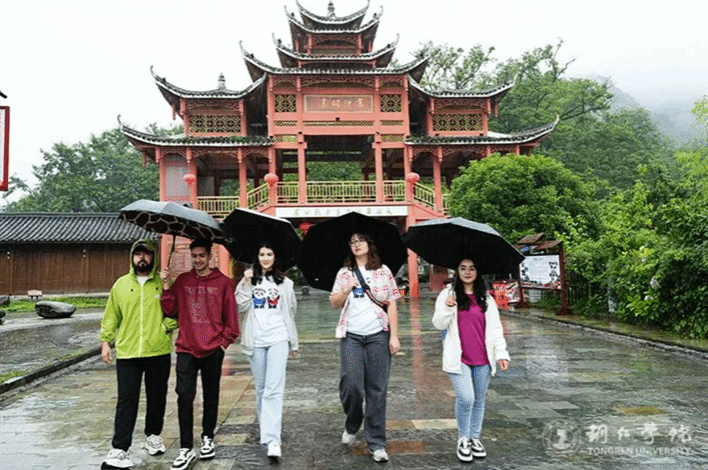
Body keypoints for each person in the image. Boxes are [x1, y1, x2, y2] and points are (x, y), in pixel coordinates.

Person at [160, 238, 239, 470]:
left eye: (201, 255)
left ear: (210, 256)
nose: (197, 260)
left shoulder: (222, 283)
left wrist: (223, 343)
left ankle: (207, 438)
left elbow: (232, 319)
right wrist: (166, 286)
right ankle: (186, 447)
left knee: (210, 396)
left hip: (213, 349)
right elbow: (170, 310)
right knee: (184, 396)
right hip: (186, 347)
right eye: (194, 256)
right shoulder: (183, 281)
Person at [99, 239, 177, 470]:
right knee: (126, 400)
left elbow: (175, 313)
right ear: (132, 258)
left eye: (146, 254)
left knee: (157, 397)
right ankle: (120, 448)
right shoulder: (121, 285)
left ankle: (153, 436)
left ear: (153, 258)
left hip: (158, 350)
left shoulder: (163, 283)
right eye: (138, 254)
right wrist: (105, 342)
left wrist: (163, 327)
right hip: (128, 352)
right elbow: (111, 315)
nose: (142, 258)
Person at [330, 232, 401, 463]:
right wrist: (346, 289)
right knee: (351, 385)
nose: (357, 245)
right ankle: (353, 421)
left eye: (361, 241)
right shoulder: (344, 273)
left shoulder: (383, 271)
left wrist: (394, 336)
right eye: (352, 242)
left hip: (378, 335)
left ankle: (376, 442)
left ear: (370, 245)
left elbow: (392, 304)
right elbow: (334, 303)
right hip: (351, 335)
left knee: (377, 389)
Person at [432, 257, 510, 462]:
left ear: (477, 272)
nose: (467, 272)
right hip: (459, 357)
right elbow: (438, 324)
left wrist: (501, 353)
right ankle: (463, 439)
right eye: (463, 268)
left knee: (479, 400)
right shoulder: (447, 295)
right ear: (457, 272)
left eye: (472, 268)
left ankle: (474, 438)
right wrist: (448, 307)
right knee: (466, 398)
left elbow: (495, 329)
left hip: (483, 357)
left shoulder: (486, 298)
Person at [235, 242, 299, 460]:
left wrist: (293, 343)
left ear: (275, 257)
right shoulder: (250, 281)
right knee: (262, 389)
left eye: (269, 254)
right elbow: (240, 306)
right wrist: (245, 283)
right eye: (261, 254)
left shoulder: (286, 283)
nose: (265, 258)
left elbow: (290, 311)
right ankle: (267, 431)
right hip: (256, 340)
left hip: (278, 338)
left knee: (274, 389)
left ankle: (273, 439)